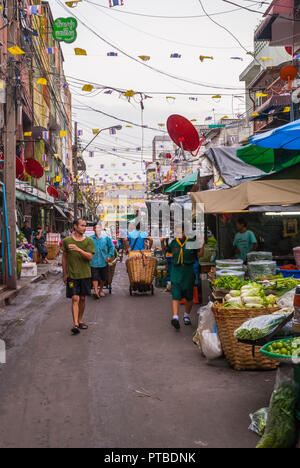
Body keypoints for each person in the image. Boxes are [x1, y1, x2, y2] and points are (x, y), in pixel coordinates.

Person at [161, 228, 204, 330]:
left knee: (189, 295)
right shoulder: (174, 243)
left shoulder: (190, 242)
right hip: (176, 270)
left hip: (188, 270)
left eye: (181, 232)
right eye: (177, 232)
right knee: (175, 293)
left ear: (185, 233)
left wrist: (202, 244)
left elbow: (200, 254)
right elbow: (165, 251)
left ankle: (186, 315)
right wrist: (162, 242)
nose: (179, 234)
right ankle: (175, 317)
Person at [62, 219, 95, 335]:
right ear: (75, 227)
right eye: (82, 225)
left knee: (82, 298)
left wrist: (78, 249)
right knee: (75, 298)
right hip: (72, 275)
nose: (84, 228)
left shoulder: (89, 241)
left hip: (85, 274)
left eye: (85, 226)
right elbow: (64, 257)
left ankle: (80, 320)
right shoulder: (67, 241)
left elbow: (89, 257)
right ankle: (75, 324)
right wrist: (64, 273)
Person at [90, 222, 115, 299]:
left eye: (98, 228)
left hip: (104, 261)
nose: (97, 229)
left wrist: (109, 256)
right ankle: (96, 292)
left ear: (101, 229)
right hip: (93, 262)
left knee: (103, 278)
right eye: (95, 228)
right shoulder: (90, 239)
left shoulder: (106, 238)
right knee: (94, 277)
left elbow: (112, 247)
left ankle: (100, 290)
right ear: (93, 229)